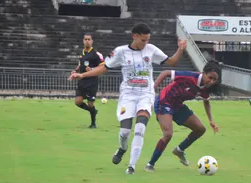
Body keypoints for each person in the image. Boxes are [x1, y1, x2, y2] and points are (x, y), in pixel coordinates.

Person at [69, 23, 187, 174]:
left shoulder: (151, 50)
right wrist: (82, 75)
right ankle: (122, 148)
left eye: (148, 40)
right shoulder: (120, 52)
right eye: (143, 40)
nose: (146, 43)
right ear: (134, 36)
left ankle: (131, 166)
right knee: (125, 132)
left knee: (140, 128)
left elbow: (172, 62)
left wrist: (180, 49)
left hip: (145, 94)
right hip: (128, 96)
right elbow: (103, 67)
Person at [145, 60, 221, 172]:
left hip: (177, 106)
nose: (211, 81)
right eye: (210, 77)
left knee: (200, 129)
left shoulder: (205, 88)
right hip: (164, 102)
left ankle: (179, 150)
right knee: (168, 134)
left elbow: (206, 101)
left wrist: (211, 120)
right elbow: (165, 73)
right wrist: (152, 91)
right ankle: (150, 164)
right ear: (203, 73)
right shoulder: (190, 76)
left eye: (214, 79)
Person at [72, 33, 104, 128]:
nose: (87, 41)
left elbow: (103, 66)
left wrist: (92, 69)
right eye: (85, 39)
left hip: (91, 83)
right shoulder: (82, 53)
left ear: (92, 41)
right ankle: (93, 111)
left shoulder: (96, 54)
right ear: (83, 41)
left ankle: (93, 123)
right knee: (78, 101)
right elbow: (80, 65)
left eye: (89, 39)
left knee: (90, 104)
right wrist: (75, 70)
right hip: (82, 82)